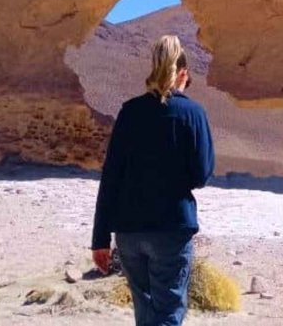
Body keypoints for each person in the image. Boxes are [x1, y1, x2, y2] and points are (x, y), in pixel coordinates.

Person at [91, 34, 216, 326]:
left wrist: (100, 239)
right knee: (169, 313)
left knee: (146, 316)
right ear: (182, 73)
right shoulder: (193, 113)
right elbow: (201, 175)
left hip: (129, 232)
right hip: (171, 229)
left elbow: (111, 177)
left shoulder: (130, 112)